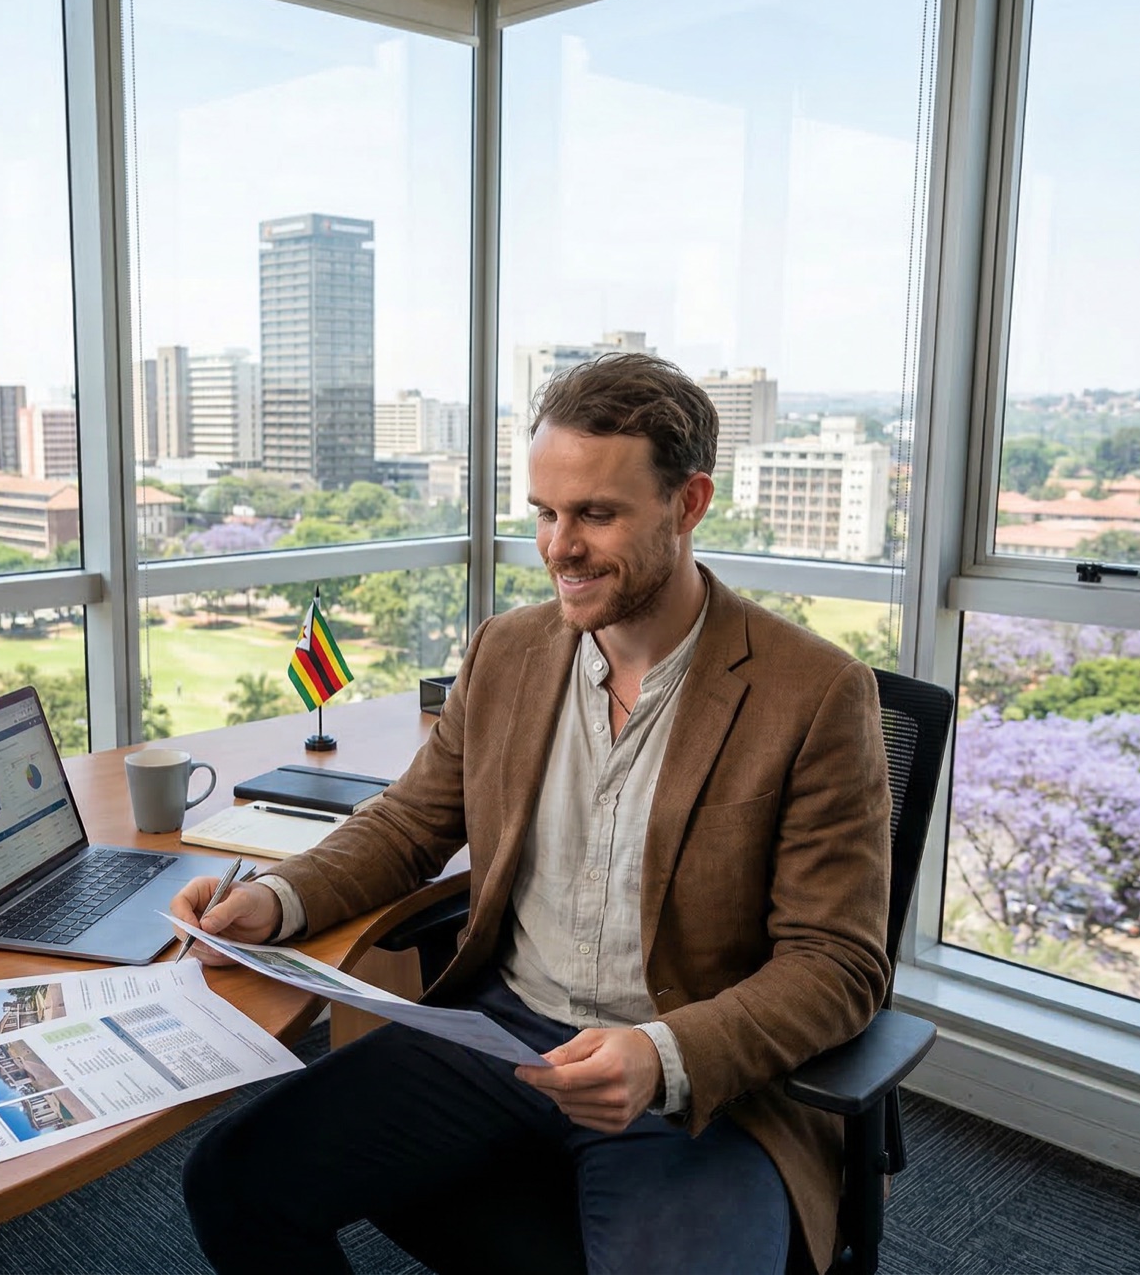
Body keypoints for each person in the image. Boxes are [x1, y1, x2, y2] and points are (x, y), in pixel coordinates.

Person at [171, 352, 892, 1275]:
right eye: (546, 514)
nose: (558, 547)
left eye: (595, 514)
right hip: (504, 1034)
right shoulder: (508, 652)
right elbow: (410, 825)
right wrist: (277, 900)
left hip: (695, 1086)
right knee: (234, 1181)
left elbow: (837, 964)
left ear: (689, 504)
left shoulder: (816, 692)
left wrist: (663, 1055)